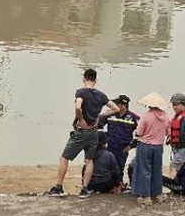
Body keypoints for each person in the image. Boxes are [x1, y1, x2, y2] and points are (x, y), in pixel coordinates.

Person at [46, 67, 111, 197]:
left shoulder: (81, 92)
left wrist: (81, 119)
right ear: (96, 80)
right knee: (89, 161)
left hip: (81, 132)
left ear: (83, 79)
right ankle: (84, 189)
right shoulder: (101, 95)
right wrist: (99, 116)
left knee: (64, 158)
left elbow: (78, 106)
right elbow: (114, 108)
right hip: (93, 132)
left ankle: (59, 186)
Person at [131, 94, 170, 205]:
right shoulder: (165, 116)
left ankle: (146, 196)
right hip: (158, 146)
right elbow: (168, 132)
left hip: (145, 145)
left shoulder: (146, 116)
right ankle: (157, 194)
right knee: (157, 170)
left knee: (144, 170)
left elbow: (139, 132)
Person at [100, 96, 138, 191]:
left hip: (123, 149)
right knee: (108, 168)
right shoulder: (110, 115)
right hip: (110, 147)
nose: (114, 105)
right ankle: (110, 187)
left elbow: (143, 132)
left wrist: (131, 146)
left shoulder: (133, 117)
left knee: (119, 169)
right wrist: (103, 141)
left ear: (123, 105)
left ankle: (119, 187)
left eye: (117, 104)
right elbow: (97, 126)